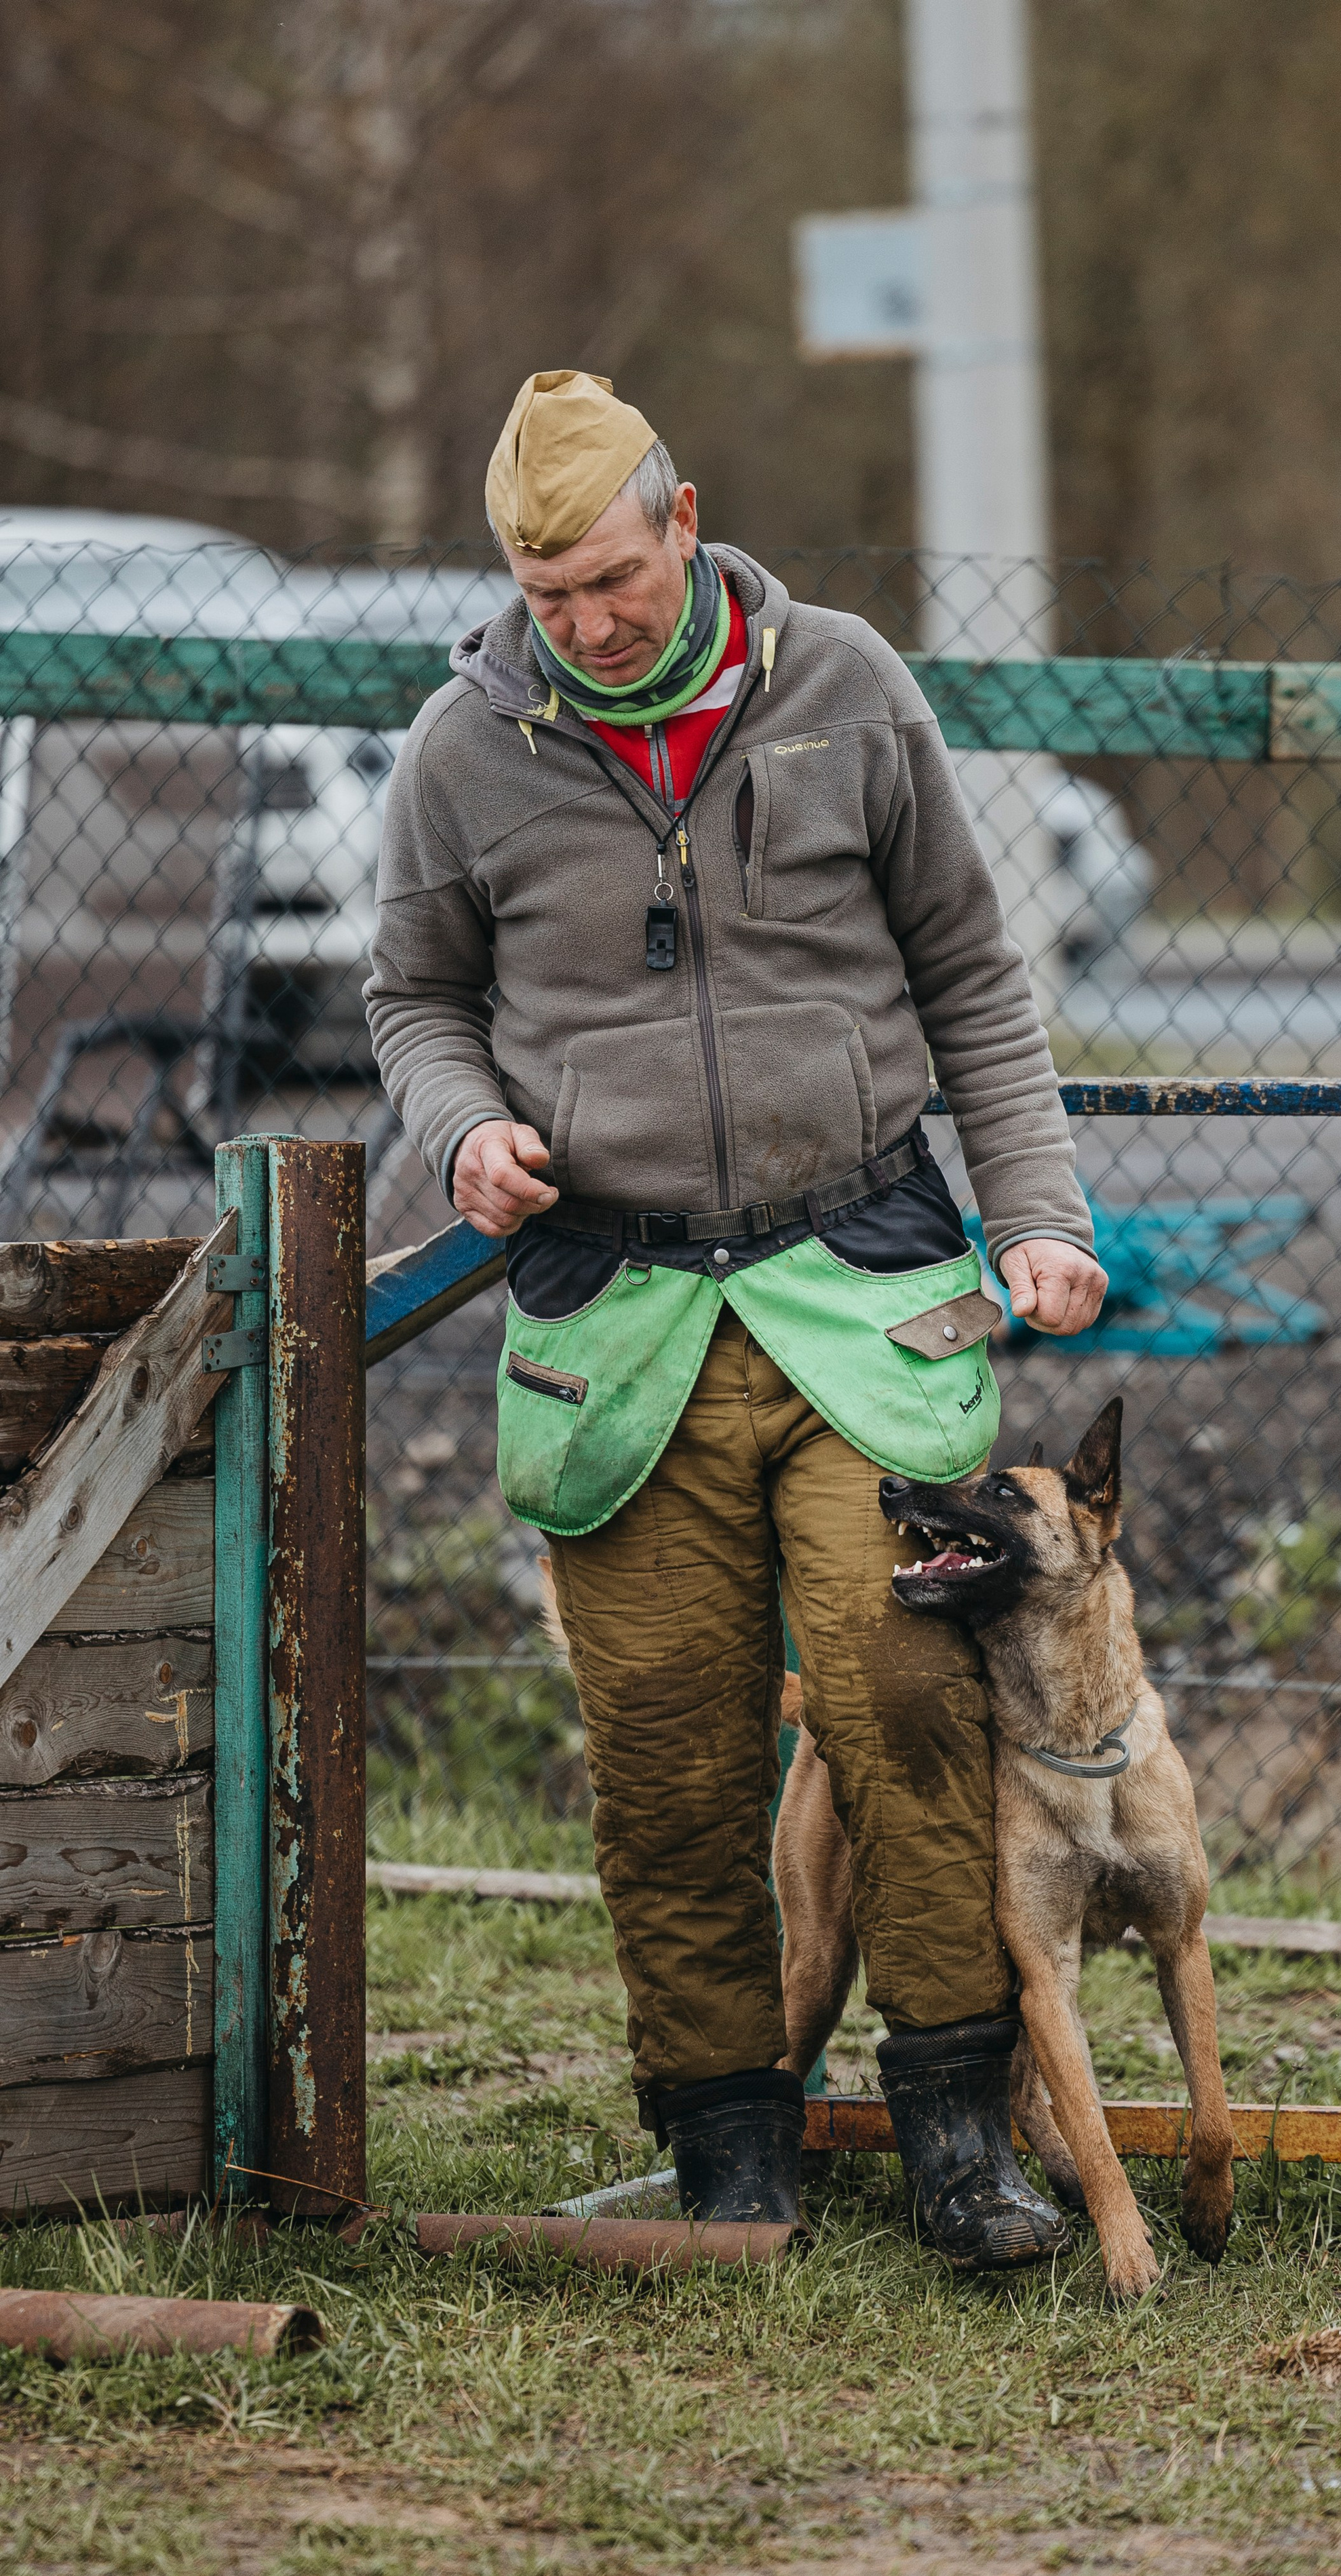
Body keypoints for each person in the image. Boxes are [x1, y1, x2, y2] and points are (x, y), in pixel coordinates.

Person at [366, 368, 1108, 2268]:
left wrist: (1036, 1212)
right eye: (550, 600)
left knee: (913, 1714)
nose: (593, 624)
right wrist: (464, 1131)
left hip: (866, 1296)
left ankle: (963, 2140)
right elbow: (415, 1006)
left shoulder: (848, 685)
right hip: (611, 1319)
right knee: (669, 1756)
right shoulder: (463, 751)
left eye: (615, 579)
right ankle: (727, 2154)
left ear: (684, 522)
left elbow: (970, 972)